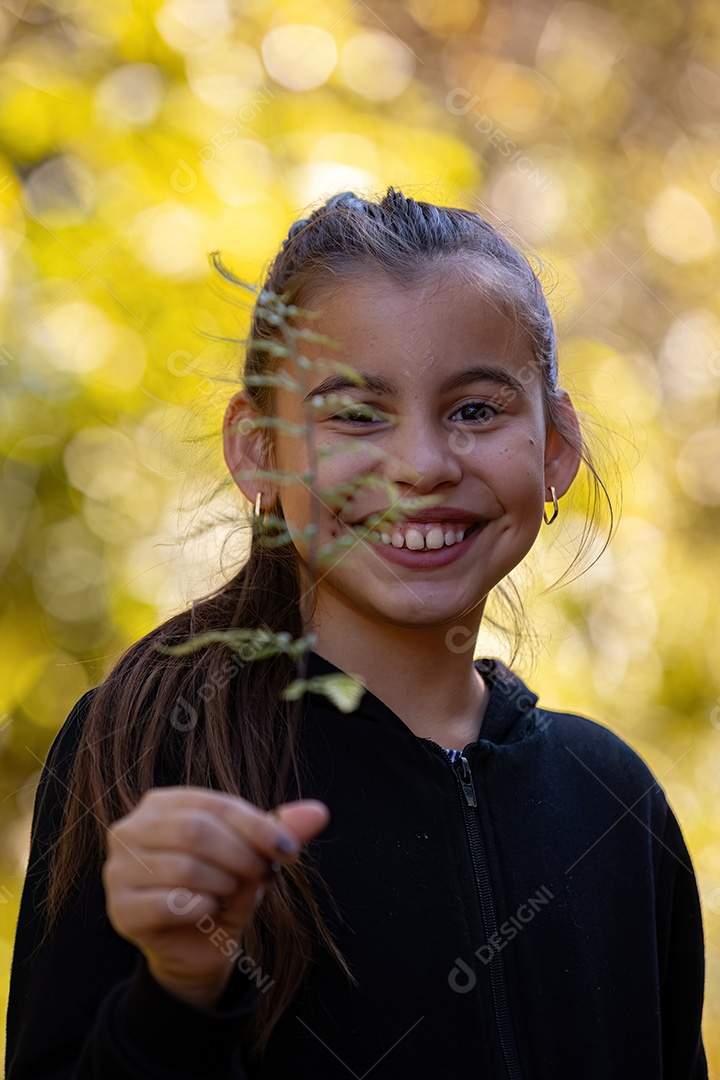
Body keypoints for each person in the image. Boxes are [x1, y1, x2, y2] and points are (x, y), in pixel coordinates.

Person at [5, 188, 708, 1080]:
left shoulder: (614, 805)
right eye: (354, 414)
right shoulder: (151, 756)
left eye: (476, 410)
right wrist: (179, 996)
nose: (420, 465)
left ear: (556, 444)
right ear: (260, 449)